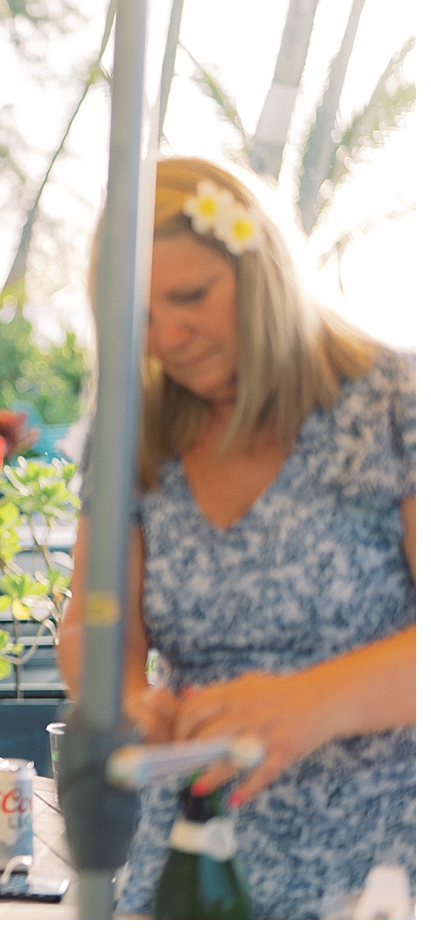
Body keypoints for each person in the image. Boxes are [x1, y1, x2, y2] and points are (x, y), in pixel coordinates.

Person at [58, 156, 415, 918]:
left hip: (375, 868)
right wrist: (126, 699)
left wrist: (307, 704)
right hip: (187, 857)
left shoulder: (397, 404)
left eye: (191, 296)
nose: (169, 335)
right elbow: (95, 625)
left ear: (266, 272)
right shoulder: (131, 433)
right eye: (141, 316)